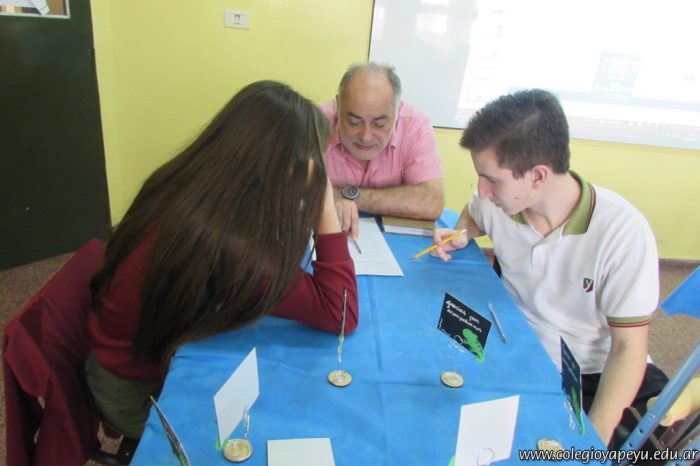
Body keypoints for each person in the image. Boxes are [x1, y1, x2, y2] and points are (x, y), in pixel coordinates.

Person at [86, 80, 359, 439]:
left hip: (118, 354)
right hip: (133, 390)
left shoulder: (194, 186)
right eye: (316, 164)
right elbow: (340, 313)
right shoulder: (232, 249)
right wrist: (323, 205)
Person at [432, 89, 667, 446]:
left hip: (591, 374)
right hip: (515, 351)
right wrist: (463, 232)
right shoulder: (496, 203)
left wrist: (592, 444)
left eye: (492, 179)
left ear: (539, 176)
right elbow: (474, 211)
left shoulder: (623, 233)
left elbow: (628, 349)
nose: (483, 190)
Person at [320, 62, 445, 239]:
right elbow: (291, 189)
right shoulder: (316, 123)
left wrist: (342, 196)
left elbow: (431, 201)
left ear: (397, 111)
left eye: (379, 124)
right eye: (354, 122)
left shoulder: (415, 126)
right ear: (338, 105)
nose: (366, 136)